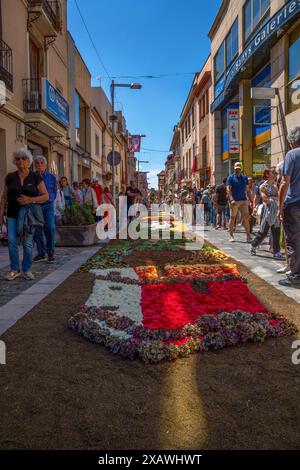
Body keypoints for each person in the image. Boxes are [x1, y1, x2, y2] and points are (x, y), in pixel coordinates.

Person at [0, 148, 49, 281]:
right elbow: (4, 197)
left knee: (27, 243)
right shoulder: (10, 177)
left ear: (29, 161)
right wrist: (0, 215)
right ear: (15, 161)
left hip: (29, 216)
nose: (20, 161)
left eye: (23, 158)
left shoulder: (35, 176)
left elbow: (45, 196)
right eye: (18, 158)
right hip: (12, 214)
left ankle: (26, 269)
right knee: (11, 241)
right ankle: (14, 269)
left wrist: (30, 199)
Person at [278, 127, 300, 288]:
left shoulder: (292, 154)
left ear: (292, 141)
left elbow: (284, 183)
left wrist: (280, 207)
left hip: (294, 203)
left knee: (293, 240)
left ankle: (295, 276)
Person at [250, 168, 285, 260]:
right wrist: (275, 198)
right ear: (267, 174)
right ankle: (253, 245)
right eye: (273, 173)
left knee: (276, 233)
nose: (275, 175)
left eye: (275, 173)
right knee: (263, 232)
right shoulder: (263, 186)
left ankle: (276, 251)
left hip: (275, 210)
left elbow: (279, 197)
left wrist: (274, 198)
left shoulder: (275, 186)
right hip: (267, 211)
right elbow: (266, 199)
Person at [33, 156, 57, 263]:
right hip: (36, 205)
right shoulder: (32, 176)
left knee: (50, 228)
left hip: (48, 206)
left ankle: (50, 252)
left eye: (41, 163)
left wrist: (49, 200)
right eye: (37, 163)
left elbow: (54, 192)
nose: (39, 165)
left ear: (46, 165)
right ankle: (41, 253)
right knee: (38, 230)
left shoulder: (52, 177)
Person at [226, 162, 252, 243]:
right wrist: (231, 199)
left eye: (239, 168)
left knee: (246, 217)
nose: (238, 170)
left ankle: (248, 236)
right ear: (234, 168)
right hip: (235, 201)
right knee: (232, 217)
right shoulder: (230, 178)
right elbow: (228, 189)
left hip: (243, 200)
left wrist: (250, 200)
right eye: (236, 168)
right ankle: (231, 235)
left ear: (241, 168)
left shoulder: (244, 178)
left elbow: (247, 189)